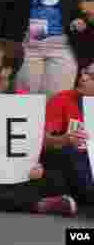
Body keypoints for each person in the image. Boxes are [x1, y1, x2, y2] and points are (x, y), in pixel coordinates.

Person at [0, 39, 77, 217]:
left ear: (7, 71)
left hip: (12, 172)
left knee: (57, 176)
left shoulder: (21, 98)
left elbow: (31, 144)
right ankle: (36, 205)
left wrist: (35, 166)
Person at [43, 59, 94, 205]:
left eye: (92, 77)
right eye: (85, 72)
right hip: (70, 165)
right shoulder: (62, 99)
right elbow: (42, 141)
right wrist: (64, 139)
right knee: (74, 152)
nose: (83, 77)